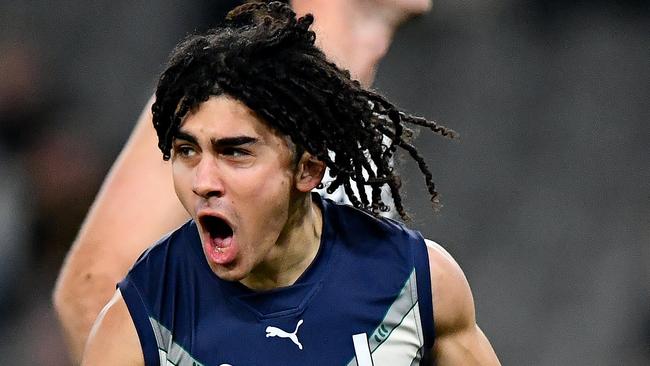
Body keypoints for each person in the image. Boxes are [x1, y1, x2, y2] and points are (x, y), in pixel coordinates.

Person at [81, 3, 500, 365]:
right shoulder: (144, 319)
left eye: (235, 152)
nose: (203, 181)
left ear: (308, 170)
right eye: (187, 151)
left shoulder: (414, 283)